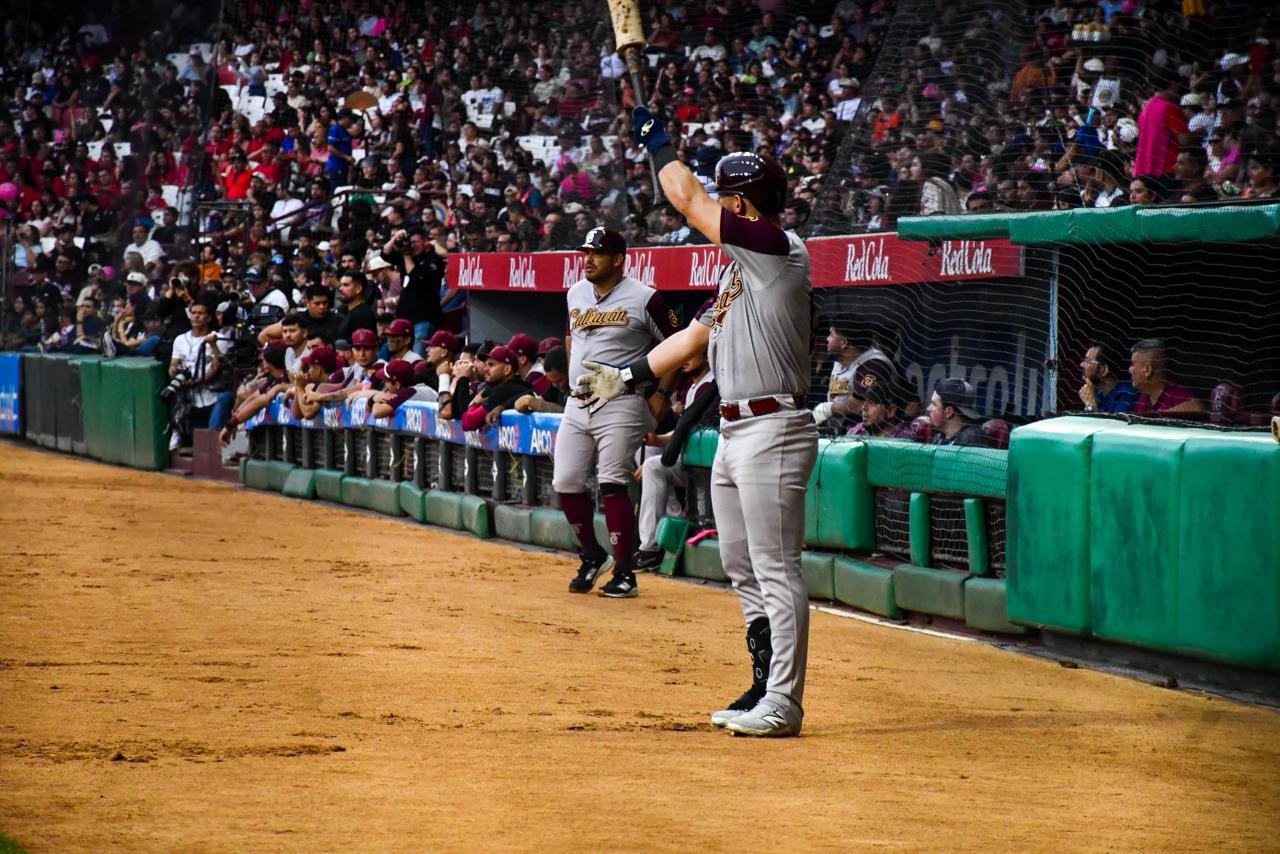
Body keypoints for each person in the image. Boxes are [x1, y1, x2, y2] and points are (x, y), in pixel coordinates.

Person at [577, 109, 817, 738]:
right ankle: (764, 685)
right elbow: (689, 342)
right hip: (736, 431)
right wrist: (625, 378)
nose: (720, 205)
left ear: (742, 202)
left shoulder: (778, 252)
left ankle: (784, 702)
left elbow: (685, 196)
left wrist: (657, 140)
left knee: (775, 567)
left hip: (774, 427)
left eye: (728, 197)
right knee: (741, 566)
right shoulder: (740, 272)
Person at [554, 226, 678, 601]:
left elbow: (676, 343)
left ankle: (625, 572)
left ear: (618, 259)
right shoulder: (576, 292)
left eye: (597, 253)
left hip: (622, 399)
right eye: (586, 253)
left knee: (612, 482)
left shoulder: (645, 297)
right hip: (578, 400)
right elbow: (570, 335)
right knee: (566, 481)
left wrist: (661, 390)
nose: (588, 259)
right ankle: (592, 554)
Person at [633, 347, 714, 572]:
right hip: (689, 459)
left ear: (706, 355)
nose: (684, 360)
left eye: (691, 354)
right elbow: (681, 430)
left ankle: (651, 545)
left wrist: (661, 440)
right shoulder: (693, 385)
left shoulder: (711, 384)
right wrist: (657, 440)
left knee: (653, 466)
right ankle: (666, 528)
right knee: (648, 460)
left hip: (705, 464)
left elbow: (689, 431)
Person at [169, 302, 230, 441]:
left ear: (209, 318)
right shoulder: (180, 339)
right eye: (193, 313)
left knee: (208, 438)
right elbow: (173, 365)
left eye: (200, 313)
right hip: (189, 399)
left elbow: (217, 366)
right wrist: (176, 376)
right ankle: (175, 431)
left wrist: (196, 381)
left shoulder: (217, 338)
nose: (196, 316)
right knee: (194, 438)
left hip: (211, 395)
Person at [382, 226, 447, 351]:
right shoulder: (408, 257)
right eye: (410, 243)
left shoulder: (434, 260)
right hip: (403, 318)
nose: (412, 246)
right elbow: (385, 253)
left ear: (425, 241)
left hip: (423, 319)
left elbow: (417, 277)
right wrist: (395, 237)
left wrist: (406, 254)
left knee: (417, 359)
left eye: (415, 242)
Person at [459, 345, 534, 430]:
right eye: (486, 365)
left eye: (491, 365)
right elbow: (458, 414)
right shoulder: (496, 387)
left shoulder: (507, 389)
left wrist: (475, 403)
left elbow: (468, 423)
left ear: (507, 369)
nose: (485, 369)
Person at [1128, 339, 1204, 415]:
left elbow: (1198, 407)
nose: (1129, 370)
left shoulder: (1178, 395)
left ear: (1148, 370)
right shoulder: (1142, 400)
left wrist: (1155, 417)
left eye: (1133, 364)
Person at [845, 364, 912, 438]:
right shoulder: (856, 432)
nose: (864, 407)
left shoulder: (906, 438)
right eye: (863, 402)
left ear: (890, 411)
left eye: (871, 403)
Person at [926, 378, 994, 447]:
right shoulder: (939, 437)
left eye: (934, 404)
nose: (928, 408)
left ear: (948, 412)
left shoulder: (972, 438)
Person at [1079, 342, 1139, 413]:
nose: (1082, 364)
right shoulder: (1095, 392)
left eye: (1088, 361)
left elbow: (1112, 423)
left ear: (1104, 370)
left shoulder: (1126, 395)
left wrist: (1090, 405)